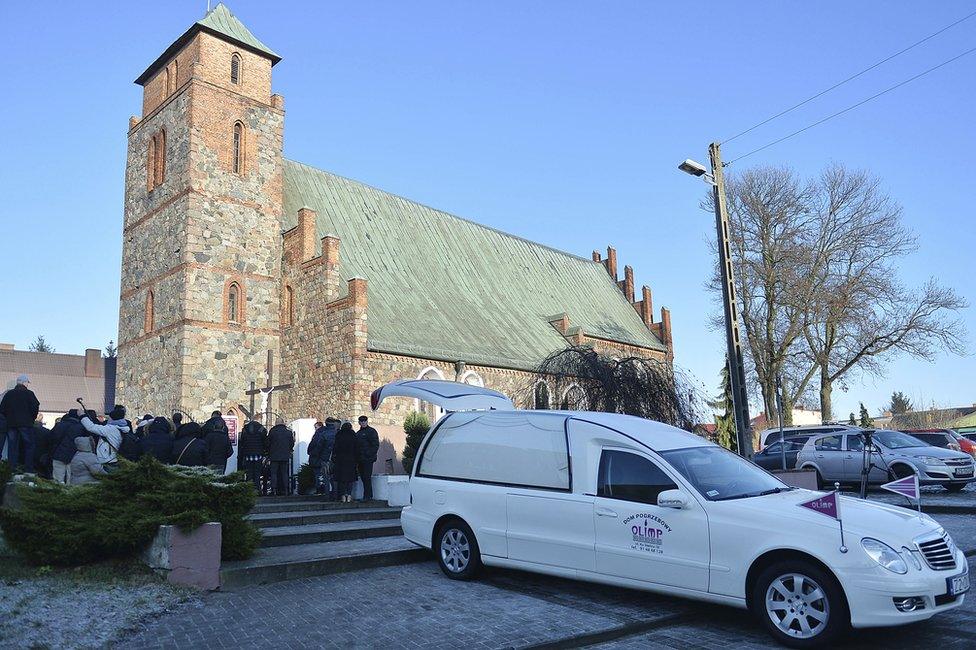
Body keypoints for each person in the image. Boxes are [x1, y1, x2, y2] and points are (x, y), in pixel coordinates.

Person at [0, 374, 40, 472]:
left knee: (12, 446)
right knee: (29, 446)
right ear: (24, 383)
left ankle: (11, 468)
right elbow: (35, 406)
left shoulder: (9, 394)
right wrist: (32, 419)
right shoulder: (29, 393)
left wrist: (9, 418)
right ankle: (28, 468)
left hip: (11, 425)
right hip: (26, 424)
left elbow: (2, 409)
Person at [80, 406, 129, 471]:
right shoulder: (124, 428)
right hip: (116, 458)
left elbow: (91, 427)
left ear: (112, 418)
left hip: (107, 459)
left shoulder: (110, 429)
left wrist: (82, 416)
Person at [50, 409, 85, 484]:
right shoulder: (81, 427)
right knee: (71, 479)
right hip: (74, 455)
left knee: (57, 479)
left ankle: (57, 492)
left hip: (58, 453)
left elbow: (51, 438)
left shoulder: (60, 425)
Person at [307, 417, 338, 496]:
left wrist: (313, 454)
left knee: (324, 476)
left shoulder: (322, 433)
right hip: (335, 458)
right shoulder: (337, 433)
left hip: (324, 458)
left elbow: (317, 446)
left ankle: (326, 494)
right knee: (333, 477)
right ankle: (335, 494)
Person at [331, 422, 358, 502]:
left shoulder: (339, 435)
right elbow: (357, 448)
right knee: (350, 480)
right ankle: (349, 495)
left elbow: (335, 448)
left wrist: (334, 458)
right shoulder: (353, 436)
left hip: (340, 460)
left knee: (342, 479)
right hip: (351, 460)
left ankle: (343, 496)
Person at [238, 420, 268, 493]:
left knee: (249, 473)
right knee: (257, 473)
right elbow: (265, 442)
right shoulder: (261, 429)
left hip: (248, 454)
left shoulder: (245, 429)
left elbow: (242, 442)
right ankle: (258, 490)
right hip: (258, 454)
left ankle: (249, 490)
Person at [355, 416, 380, 501]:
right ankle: (367, 495)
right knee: (363, 477)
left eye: (364, 421)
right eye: (361, 421)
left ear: (367, 421)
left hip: (368, 459)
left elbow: (375, 445)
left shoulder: (371, 431)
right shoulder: (358, 433)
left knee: (366, 477)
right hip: (360, 459)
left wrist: (368, 454)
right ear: (359, 422)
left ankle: (368, 496)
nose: (363, 423)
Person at [267, 422, 294, 496]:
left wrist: (269, 452)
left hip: (274, 456)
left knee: (274, 473)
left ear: (276, 424)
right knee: (284, 473)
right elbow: (292, 444)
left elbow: (268, 443)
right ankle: (286, 490)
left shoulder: (272, 432)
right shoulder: (288, 432)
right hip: (285, 456)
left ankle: (274, 490)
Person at [32, 414, 54, 479]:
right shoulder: (47, 431)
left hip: (28, 455)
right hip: (42, 455)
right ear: (41, 420)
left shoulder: (28, 431)